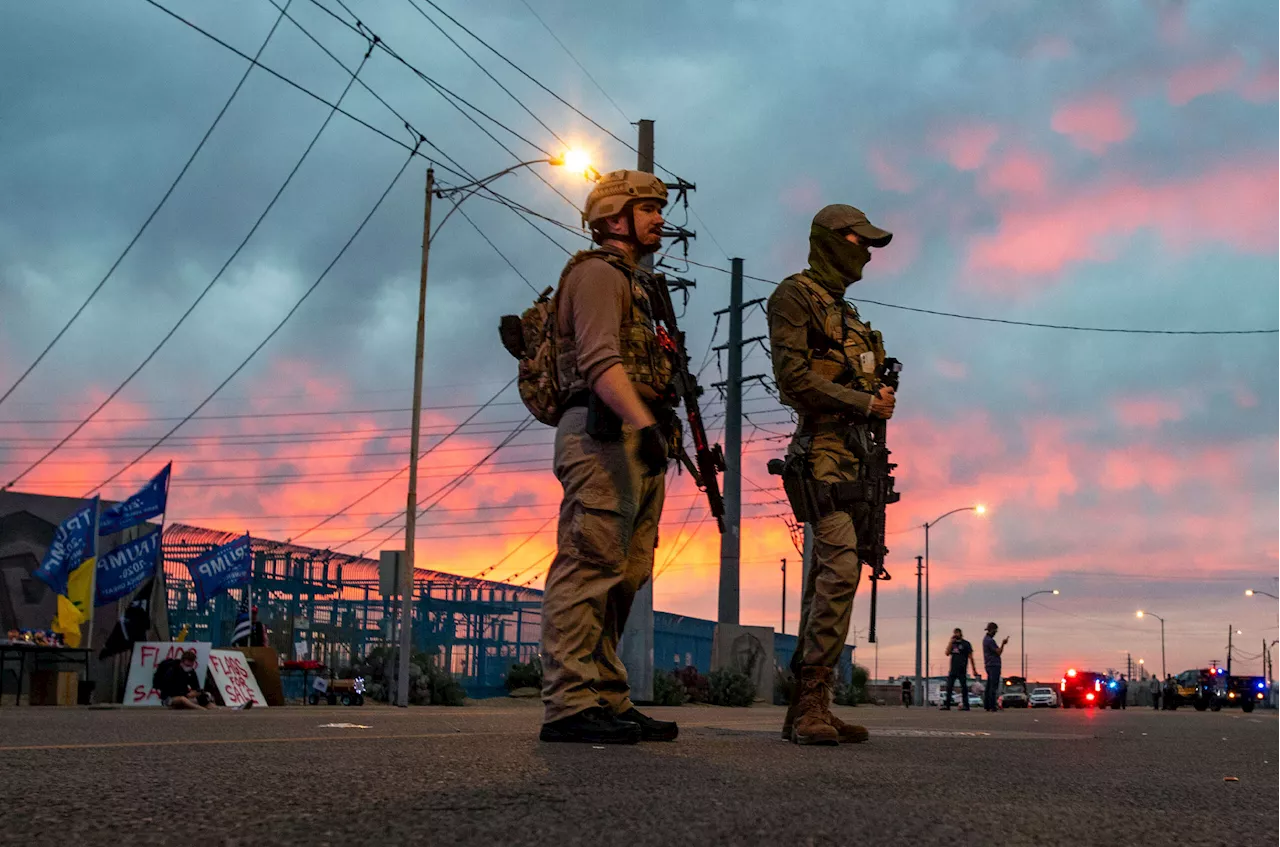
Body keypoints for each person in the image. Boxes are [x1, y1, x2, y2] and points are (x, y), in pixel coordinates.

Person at [538, 170, 678, 746]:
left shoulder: (637, 284)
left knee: (625, 575)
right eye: (649, 209)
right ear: (616, 217)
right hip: (604, 435)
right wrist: (643, 425)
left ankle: (606, 697)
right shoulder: (597, 274)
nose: (660, 219)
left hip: (632, 436)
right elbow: (599, 360)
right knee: (588, 565)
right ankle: (570, 705)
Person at [768, 204, 895, 746]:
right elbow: (792, 378)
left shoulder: (851, 317)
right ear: (828, 241)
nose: (865, 251)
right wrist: (866, 402)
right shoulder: (795, 296)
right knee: (839, 570)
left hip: (857, 456)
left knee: (834, 575)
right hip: (821, 452)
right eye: (856, 239)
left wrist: (875, 403)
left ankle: (808, 708)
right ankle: (813, 700)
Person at [942, 628, 979, 711]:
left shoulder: (966, 644)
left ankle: (966, 705)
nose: (956, 634)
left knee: (964, 687)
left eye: (957, 633)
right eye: (955, 633)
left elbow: (971, 657)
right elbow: (947, 653)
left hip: (962, 669)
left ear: (961, 633)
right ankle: (947, 705)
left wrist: (974, 669)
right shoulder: (953, 644)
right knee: (949, 687)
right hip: (953, 669)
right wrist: (951, 642)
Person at [982, 622, 1008, 711]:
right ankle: (993, 705)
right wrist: (1003, 644)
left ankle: (987, 705)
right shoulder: (990, 641)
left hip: (988, 664)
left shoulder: (985, 639)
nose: (996, 632)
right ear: (992, 630)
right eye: (995, 630)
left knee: (989, 685)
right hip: (994, 665)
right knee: (993, 686)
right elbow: (998, 652)